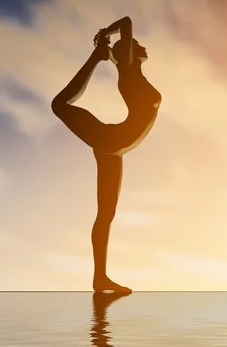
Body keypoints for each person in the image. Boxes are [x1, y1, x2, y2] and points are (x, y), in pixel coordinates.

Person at [51, 17, 161, 293]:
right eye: (136, 43)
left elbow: (124, 41)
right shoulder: (127, 67)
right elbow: (127, 22)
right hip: (111, 139)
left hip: (114, 147)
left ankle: (100, 278)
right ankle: (93, 59)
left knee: (106, 215)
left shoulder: (129, 69)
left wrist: (108, 51)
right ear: (127, 52)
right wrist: (105, 37)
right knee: (59, 105)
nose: (141, 45)